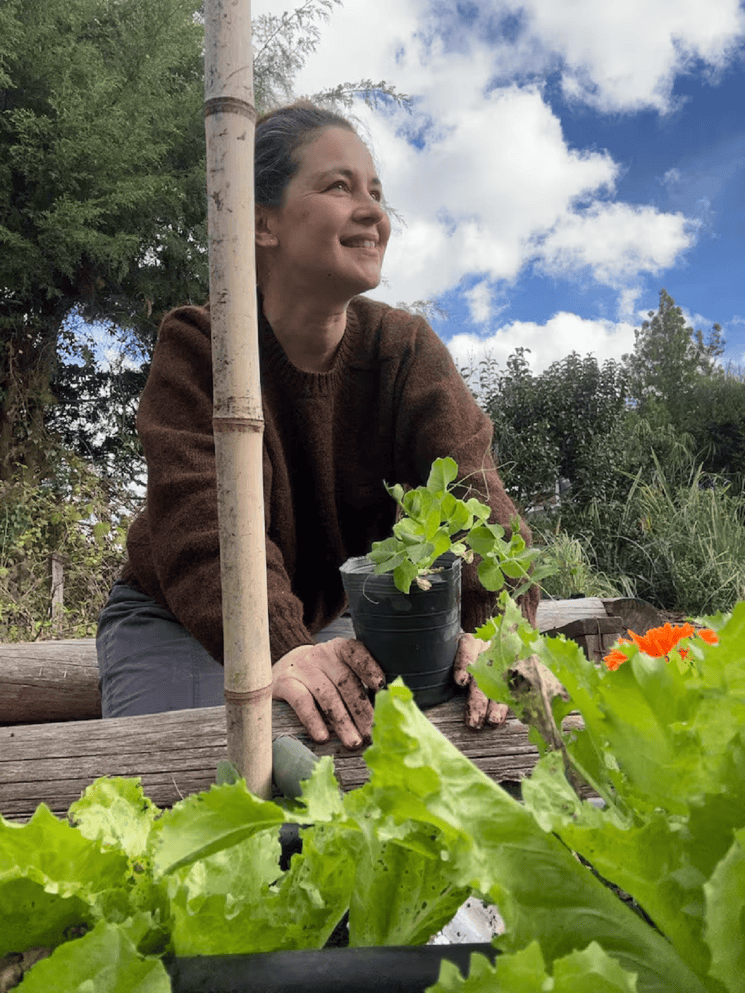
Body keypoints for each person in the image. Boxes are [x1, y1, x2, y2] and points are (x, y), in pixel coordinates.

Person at [96, 100, 539, 748]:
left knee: (372, 795)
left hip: (323, 621)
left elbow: (477, 496)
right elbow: (202, 527)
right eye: (338, 186)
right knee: (188, 806)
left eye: (376, 192)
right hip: (178, 619)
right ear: (261, 222)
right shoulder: (203, 344)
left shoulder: (402, 350)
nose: (374, 212)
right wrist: (279, 646)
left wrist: (498, 629)